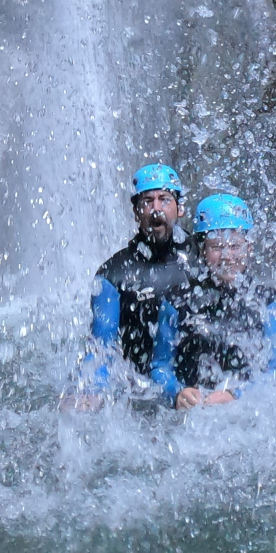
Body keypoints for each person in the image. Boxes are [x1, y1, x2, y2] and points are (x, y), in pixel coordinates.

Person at [148, 194, 276, 410]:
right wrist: (176, 392)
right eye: (216, 246)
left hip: (249, 411)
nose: (227, 256)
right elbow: (159, 367)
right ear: (202, 251)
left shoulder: (268, 301)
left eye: (235, 245)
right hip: (195, 414)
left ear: (249, 248)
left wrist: (237, 394)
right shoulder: (177, 301)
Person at [74, 164, 195, 403]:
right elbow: (101, 348)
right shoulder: (114, 275)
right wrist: (90, 391)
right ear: (136, 212)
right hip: (145, 394)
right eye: (147, 201)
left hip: (200, 385)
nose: (156, 209)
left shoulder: (202, 258)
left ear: (180, 208)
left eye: (165, 199)